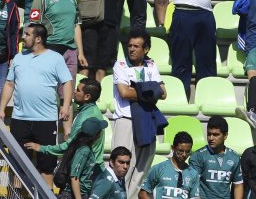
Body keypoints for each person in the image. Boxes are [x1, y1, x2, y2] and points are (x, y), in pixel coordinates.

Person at [0, 22, 72, 187]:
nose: (23, 37)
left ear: (38, 39)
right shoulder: (18, 57)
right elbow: (9, 84)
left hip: (45, 120)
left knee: (46, 166)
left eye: (27, 34)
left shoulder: (55, 58)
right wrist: (2, 109)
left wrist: (65, 105)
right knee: (18, 164)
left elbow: (67, 82)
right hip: (20, 119)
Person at [110, 31, 165, 199]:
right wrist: (150, 91)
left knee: (142, 166)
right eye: (130, 46)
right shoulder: (120, 65)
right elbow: (124, 92)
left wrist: (141, 89)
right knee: (122, 165)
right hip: (126, 120)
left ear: (146, 49)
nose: (131, 49)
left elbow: (163, 92)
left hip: (147, 118)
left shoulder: (151, 65)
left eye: (136, 46)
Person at [30, 0, 85, 102]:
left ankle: (68, 126)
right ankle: (48, 124)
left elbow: (76, 25)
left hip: (70, 51)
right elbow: (33, 27)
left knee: (68, 97)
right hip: (49, 50)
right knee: (46, 94)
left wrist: (80, 52)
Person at [26, 78, 105, 172]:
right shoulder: (92, 111)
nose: (74, 92)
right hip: (90, 168)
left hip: (88, 172)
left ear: (87, 96)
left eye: (78, 90)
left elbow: (69, 145)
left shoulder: (87, 117)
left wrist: (41, 148)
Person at [189, 116, 244, 199]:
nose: (211, 138)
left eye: (215, 135)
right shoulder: (198, 156)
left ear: (225, 135)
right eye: (209, 134)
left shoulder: (234, 157)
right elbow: (193, 186)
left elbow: (238, 185)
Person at [138, 131, 200, 199]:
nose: (184, 155)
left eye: (187, 151)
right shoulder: (158, 169)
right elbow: (142, 193)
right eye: (180, 151)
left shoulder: (194, 174)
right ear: (173, 148)